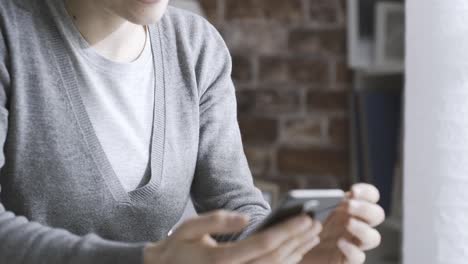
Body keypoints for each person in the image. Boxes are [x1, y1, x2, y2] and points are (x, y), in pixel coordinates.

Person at [0, 0, 385, 263]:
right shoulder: (10, 35)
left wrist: (292, 246)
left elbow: (234, 205)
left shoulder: (196, 47)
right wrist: (146, 260)